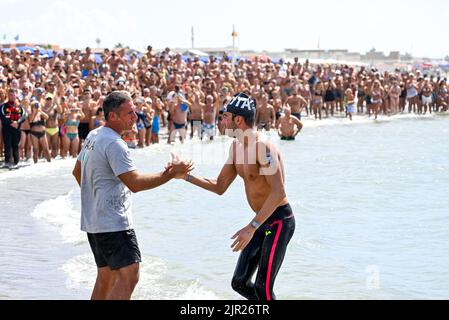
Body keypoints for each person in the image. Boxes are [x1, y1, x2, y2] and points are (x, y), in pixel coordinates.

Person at [173, 93, 295, 300]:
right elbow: (220, 186)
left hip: (278, 221)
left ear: (238, 120)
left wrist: (251, 227)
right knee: (239, 282)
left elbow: (278, 191)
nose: (222, 121)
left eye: (225, 116)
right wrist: (185, 176)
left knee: (263, 287)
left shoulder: (262, 146)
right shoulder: (236, 147)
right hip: (261, 222)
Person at [72, 91, 192, 300]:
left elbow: (77, 172)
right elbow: (135, 183)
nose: (135, 117)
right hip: (113, 223)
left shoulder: (94, 135)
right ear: (112, 117)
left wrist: (97, 198)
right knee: (130, 276)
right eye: (129, 113)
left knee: (106, 277)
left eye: (134, 112)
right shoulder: (114, 143)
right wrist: (170, 174)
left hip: (93, 221)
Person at [0, 88, 26, 168]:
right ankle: (7, 162)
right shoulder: (3, 106)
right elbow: (2, 116)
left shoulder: (20, 106)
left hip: (16, 129)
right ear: (8, 95)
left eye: (13, 94)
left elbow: (24, 116)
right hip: (7, 129)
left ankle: (16, 162)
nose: (12, 96)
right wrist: (12, 123)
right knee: (7, 145)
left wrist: (17, 122)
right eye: (10, 95)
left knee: (15, 145)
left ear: (16, 95)